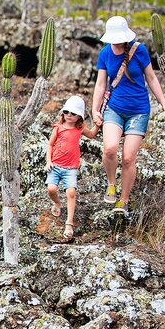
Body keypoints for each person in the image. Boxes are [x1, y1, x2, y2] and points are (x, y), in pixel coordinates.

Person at [90, 15, 165, 217]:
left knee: (128, 158)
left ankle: (124, 199)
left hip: (139, 110)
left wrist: (164, 104)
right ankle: (112, 184)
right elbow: (101, 83)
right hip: (114, 108)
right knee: (110, 149)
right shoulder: (105, 53)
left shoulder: (139, 51)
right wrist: (95, 109)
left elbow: (152, 78)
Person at [45, 95, 99, 238]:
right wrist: (48, 161)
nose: (69, 115)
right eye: (67, 112)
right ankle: (57, 203)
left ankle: (69, 223)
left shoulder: (79, 128)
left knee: (71, 193)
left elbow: (92, 134)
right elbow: (50, 144)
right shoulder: (58, 128)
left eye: (73, 113)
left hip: (71, 167)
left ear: (79, 117)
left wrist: (98, 124)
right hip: (55, 165)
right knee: (51, 188)